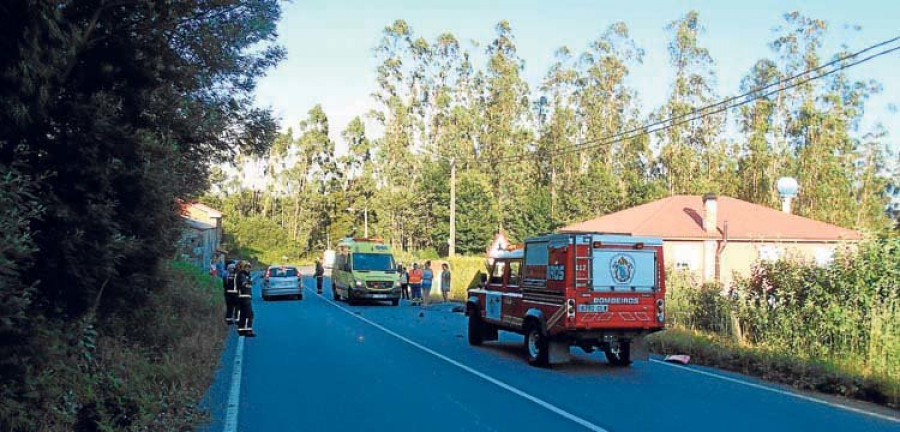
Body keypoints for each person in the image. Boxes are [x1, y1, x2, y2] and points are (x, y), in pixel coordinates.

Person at [236, 261, 256, 337]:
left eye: (249, 268)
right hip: (244, 297)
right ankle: (248, 331)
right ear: (244, 268)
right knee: (250, 314)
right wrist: (248, 283)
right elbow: (243, 283)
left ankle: (241, 331)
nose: (249, 269)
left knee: (243, 315)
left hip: (243, 297)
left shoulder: (244, 275)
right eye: (247, 267)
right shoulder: (242, 275)